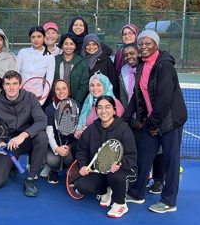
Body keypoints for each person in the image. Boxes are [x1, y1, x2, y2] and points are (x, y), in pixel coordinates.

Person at [125, 30, 187, 214]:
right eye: (141, 43)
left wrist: (153, 124)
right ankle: (137, 193)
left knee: (171, 160)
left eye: (148, 43)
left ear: (156, 45)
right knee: (144, 156)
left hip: (170, 121)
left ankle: (169, 201)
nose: (143, 47)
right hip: (153, 120)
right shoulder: (143, 65)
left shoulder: (165, 66)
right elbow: (139, 96)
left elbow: (164, 98)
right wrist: (126, 117)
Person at [73, 96, 137, 218]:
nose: (103, 111)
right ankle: (106, 189)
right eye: (100, 108)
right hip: (101, 171)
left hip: (125, 171)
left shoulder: (124, 129)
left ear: (114, 110)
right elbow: (82, 150)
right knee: (82, 186)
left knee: (115, 176)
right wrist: (83, 165)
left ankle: (120, 203)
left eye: (107, 107)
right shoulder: (91, 129)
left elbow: (131, 156)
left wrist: (120, 163)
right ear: (96, 110)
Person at [0, 70, 48, 197]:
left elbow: (42, 120)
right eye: (8, 84)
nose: (11, 87)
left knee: (42, 137)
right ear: (3, 86)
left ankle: (31, 177)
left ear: (20, 85)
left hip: (27, 139)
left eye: (15, 83)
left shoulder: (30, 98)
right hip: (9, 143)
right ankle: (12, 167)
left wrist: (24, 135)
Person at [120, 43, 165, 195]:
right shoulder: (124, 71)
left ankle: (159, 180)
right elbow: (127, 97)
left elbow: (152, 96)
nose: (129, 57)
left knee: (158, 151)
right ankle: (140, 180)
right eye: (126, 55)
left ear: (139, 53)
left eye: (132, 53)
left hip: (152, 118)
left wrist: (146, 118)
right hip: (134, 119)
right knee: (141, 151)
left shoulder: (148, 68)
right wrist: (129, 118)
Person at [43, 79, 77, 184]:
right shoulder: (49, 110)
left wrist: (69, 147)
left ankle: (71, 169)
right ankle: (54, 170)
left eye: (64, 88)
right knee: (52, 160)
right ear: (54, 91)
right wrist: (57, 149)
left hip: (70, 145)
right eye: (57, 89)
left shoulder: (77, 106)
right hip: (56, 145)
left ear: (68, 90)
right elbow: (49, 134)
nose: (61, 92)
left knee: (69, 157)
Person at [75, 72, 124, 138]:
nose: (95, 88)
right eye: (92, 85)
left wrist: (88, 131)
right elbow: (81, 124)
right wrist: (78, 130)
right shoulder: (89, 102)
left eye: (99, 85)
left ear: (105, 85)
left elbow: (111, 129)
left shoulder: (114, 104)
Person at [17, 25, 55, 102]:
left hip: (37, 97)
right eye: (33, 37)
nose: (36, 39)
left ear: (44, 38)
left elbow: (49, 81)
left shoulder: (50, 57)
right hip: (20, 96)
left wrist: (41, 101)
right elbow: (16, 73)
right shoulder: (22, 52)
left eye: (39, 36)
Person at [54, 32, 89, 105]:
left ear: (75, 46)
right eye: (66, 44)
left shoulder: (81, 62)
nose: (69, 47)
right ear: (62, 45)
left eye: (72, 44)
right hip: (57, 100)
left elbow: (84, 84)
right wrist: (55, 98)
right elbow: (51, 82)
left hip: (75, 101)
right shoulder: (55, 60)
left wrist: (77, 101)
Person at [81, 34, 119, 98]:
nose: (91, 47)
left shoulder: (106, 61)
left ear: (98, 45)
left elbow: (113, 82)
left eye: (94, 44)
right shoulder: (81, 61)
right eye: (88, 44)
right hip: (85, 100)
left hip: (103, 100)